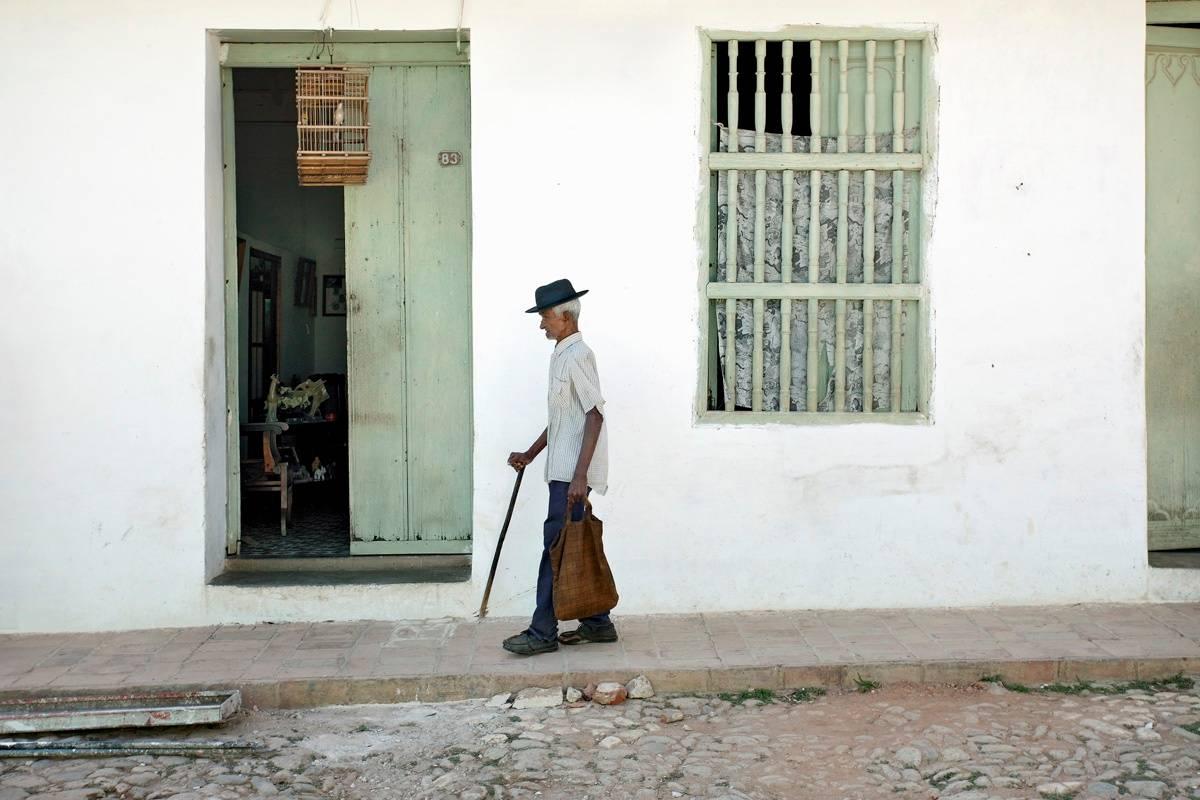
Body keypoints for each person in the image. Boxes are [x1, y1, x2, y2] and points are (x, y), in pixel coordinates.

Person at [503, 279, 617, 656]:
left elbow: (594, 416)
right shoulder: (562, 355)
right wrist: (531, 454)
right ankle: (598, 624)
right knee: (573, 546)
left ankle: (542, 632)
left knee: (556, 550)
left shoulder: (578, 355)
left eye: (546, 317)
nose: (541, 325)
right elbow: (563, 419)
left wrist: (580, 477)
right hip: (565, 474)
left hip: (571, 478)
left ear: (565, 317)